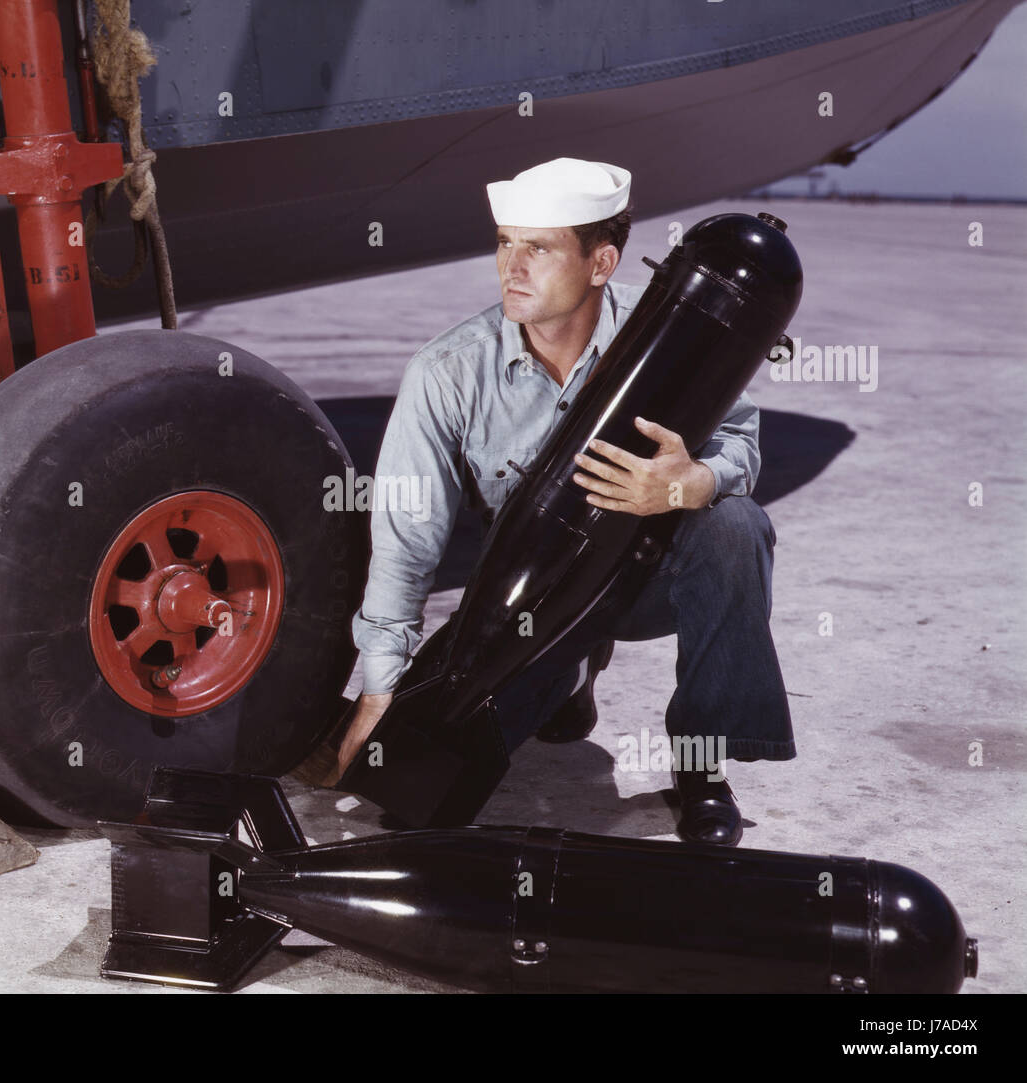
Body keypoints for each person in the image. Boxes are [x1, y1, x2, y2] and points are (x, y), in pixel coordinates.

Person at [332, 158, 795, 846]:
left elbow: (741, 447)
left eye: (538, 247)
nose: (511, 266)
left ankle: (700, 770)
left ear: (601, 261)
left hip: (648, 569)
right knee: (417, 799)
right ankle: (571, 674)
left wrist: (689, 483)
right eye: (504, 243)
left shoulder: (673, 331)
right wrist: (381, 690)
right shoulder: (448, 373)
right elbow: (406, 535)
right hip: (536, 596)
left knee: (733, 525)